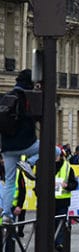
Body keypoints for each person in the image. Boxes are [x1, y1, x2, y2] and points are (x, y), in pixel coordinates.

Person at [1, 69, 39, 224]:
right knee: (53, 149)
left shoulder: (6, 96)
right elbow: (34, 118)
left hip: (7, 146)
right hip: (25, 143)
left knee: (10, 182)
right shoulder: (28, 97)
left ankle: (6, 214)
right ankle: (28, 163)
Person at [53, 146, 78, 252]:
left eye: (56, 156)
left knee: (61, 223)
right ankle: (52, 244)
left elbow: (74, 184)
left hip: (63, 200)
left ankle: (59, 244)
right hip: (49, 201)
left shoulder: (68, 167)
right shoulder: (45, 165)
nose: (55, 158)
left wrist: (66, 185)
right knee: (51, 223)